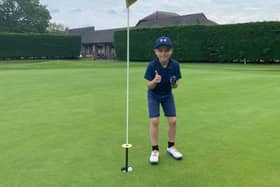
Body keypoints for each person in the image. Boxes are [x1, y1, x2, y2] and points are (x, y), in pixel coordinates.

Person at [144, 36, 183, 164]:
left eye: (166, 50)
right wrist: (154, 81)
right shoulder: (151, 65)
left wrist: (174, 84)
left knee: (173, 121)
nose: (163, 53)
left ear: (171, 51)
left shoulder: (175, 65)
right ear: (156, 52)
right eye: (160, 50)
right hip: (153, 95)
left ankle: (171, 146)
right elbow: (148, 85)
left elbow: (176, 85)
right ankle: (155, 150)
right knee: (154, 121)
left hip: (167, 95)